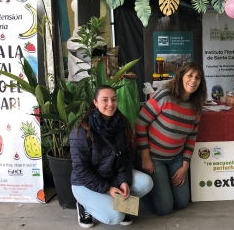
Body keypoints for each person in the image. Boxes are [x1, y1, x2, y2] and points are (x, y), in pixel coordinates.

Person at [71, 85, 153, 228]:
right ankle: (84, 205)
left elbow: (126, 157)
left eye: (113, 99)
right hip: (85, 183)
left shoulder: (121, 124)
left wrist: (124, 181)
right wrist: (108, 189)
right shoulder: (82, 132)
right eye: (105, 100)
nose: (110, 104)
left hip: (112, 175)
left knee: (146, 183)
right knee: (115, 217)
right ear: (95, 103)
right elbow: (81, 170)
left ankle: (119, 204)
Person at [135, 62, 207, 215]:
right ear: (181, 76)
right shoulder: (164, 95)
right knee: (164, 208)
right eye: (190, 75)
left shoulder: (196, 106)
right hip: (154, 159)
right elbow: (140, 124)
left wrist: (185, 166)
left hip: (176, 158)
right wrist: (146, 159)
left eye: (197, 78)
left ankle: (162, 186)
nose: (193, 80)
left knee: (182, 203)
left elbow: (191, 138)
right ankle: (142, 196)